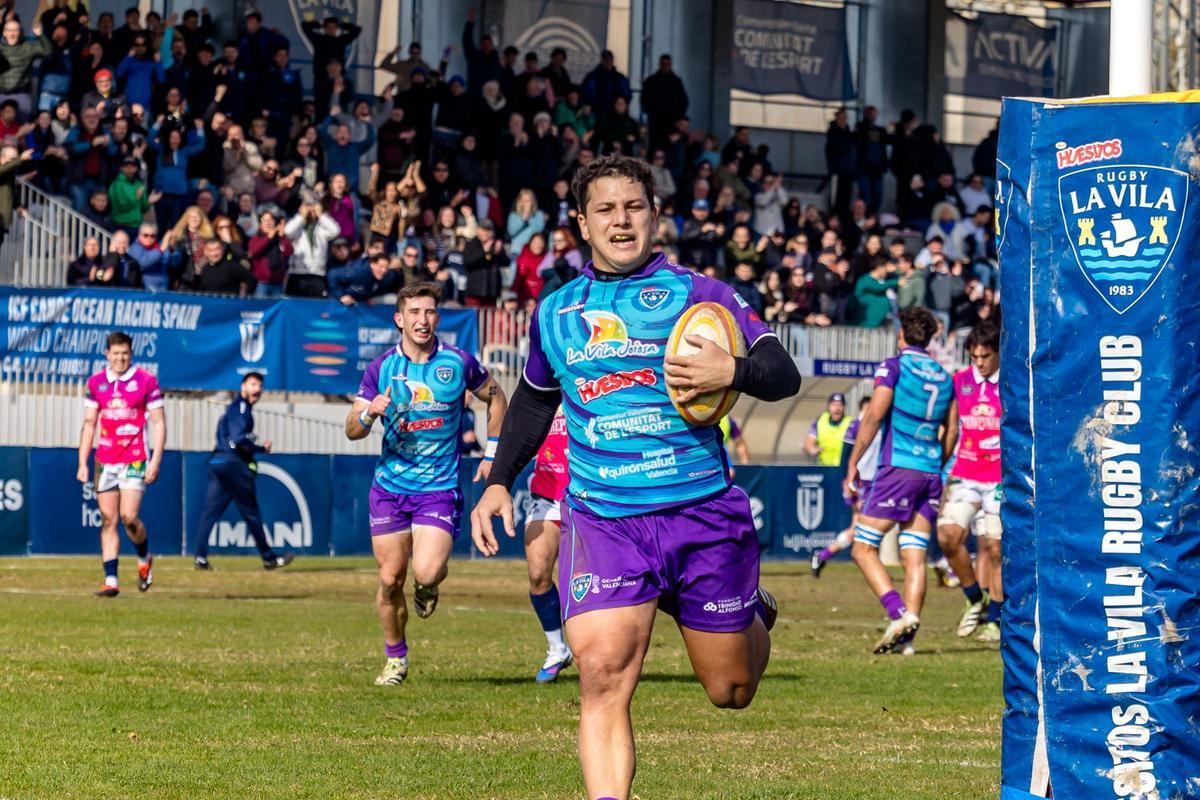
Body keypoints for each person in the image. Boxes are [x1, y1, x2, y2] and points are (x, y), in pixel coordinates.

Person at [470, 154, 801, 800]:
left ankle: (750, 614)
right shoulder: (558, 312)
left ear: (655, 216)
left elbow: (781, 372)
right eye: (605, 210)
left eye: (633, 207)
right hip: (604, 522)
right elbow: (537, 399)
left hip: (702, 515)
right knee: (601, 675)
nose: (621, 221)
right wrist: (497, 480)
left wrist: (730, 371)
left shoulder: (703, 295)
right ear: (581, 224)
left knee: (730, 690)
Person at [346, 282, 509, 687]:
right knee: (388, 579)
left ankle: (428, 587)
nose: (423, 320)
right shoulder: (380, 368)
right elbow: (352, 429)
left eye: (430, 312)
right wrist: (369, 415)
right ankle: (395, 658)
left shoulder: (458, 363)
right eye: (415, 312)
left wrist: (493, 454)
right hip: (389, 488)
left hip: (437, 488)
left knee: (429, 569)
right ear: (399, 319)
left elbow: (497, 397)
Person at [843, 308, 954, 655]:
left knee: (862, 548)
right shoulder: (944, 376)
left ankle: (898, 613)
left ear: (902, 335)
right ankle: (907, 642)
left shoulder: (893, 367)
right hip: (930, 472)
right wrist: (937, 461)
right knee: (914, 557)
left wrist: (853, 463)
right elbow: (953, 430)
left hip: (898, 468)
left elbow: (874, 414)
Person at [77, 331, 165, 597]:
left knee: (128, 517)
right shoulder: (95, 383)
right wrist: (82, 462)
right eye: (115, 354)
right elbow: (90, 424)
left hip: (135, 458)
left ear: (131, 354)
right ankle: (111, 580)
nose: (120, 358)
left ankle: (144, 557)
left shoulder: (146, 381)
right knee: (108, 519)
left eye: (124, 354)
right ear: (107, 354)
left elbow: (159, 422)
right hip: (105, 460)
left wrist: (156, 460)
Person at [937, 322, 1003, 643]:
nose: (979, 362)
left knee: (994, 548)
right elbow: (949, 428)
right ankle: (975, 598)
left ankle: (996, 620)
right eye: (975, 356)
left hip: (1000, 479)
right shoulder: (959, 382)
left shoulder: (1014, 383)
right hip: (966, 473)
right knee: (948, 536)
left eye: (986, 356)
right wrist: (940, 467)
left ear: (998, 354)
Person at [193, 372, 294, 571]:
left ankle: (200, 557)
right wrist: (259, 448)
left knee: (210, 512)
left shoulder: (235, 409)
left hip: (217, 463)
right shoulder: (241, 408)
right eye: (253, 384)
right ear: (243, 387)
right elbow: (237, 440)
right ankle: (268, 558)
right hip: (232, 464)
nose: (257, 389)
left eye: (260, 386)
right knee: (251, 513)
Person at [523, 409, 573, 683]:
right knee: (538, 573)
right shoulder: (540, 385)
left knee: (584, 579)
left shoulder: (594, 377)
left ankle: (597, 650)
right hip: (546, 493)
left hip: (589, 490)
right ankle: (557, 649)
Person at [811, 396, 886, 578]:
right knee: (864, 527)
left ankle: (822, 556)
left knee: (859, 527)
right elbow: (846, 457)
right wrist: (847, 481)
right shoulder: (856, 426)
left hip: (875, 482)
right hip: (861, 483)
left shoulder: (882, 425)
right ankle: (824, 556)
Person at [805, 393, 851, 466]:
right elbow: (809, 442)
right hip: (824, 467)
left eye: (840, 405)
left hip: (843, 468)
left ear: (844, 407)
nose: (837, 408)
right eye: (834, 405)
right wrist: (813, 450)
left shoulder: (851, 423)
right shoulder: (819, 421)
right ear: (829, 406)